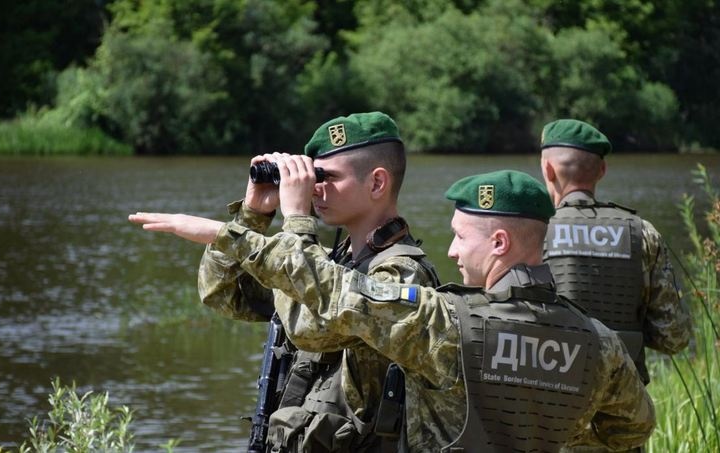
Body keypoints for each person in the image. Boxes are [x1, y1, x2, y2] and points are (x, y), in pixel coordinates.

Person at [133, 169, 655, 452]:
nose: (450, 253)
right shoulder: (597, 340)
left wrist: (228, 233)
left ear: (499, 243)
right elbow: (632, 430)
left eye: (459, 239)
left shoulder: (446, 323)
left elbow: (342, 295)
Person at [130, 112, 440, 452]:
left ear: (377, 183)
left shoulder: (403, 275)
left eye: (326, 177)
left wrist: (295, 219)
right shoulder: (324, 264)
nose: (314, 188)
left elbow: (312, 326)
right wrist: (253, 214)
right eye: (311, 176)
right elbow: (221, 293)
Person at [539, 119, 691, 384]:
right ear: (602, 170)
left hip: (555, 404)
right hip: (624, 403)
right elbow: (674, 337)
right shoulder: (642, 233)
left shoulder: (534, 231)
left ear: (548, 170)